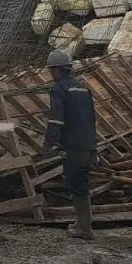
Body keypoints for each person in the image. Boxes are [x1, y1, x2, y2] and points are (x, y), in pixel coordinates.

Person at [44, 50, 97, 240]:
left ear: (56, 70)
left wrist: (50, 144)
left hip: (73, 146)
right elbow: (90, 118)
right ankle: (82, 223)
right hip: (87, 144)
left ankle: (85, 228)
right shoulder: (83, 88)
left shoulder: (59, 89)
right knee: (82, 183)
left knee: (76, 185)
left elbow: (56, 120)